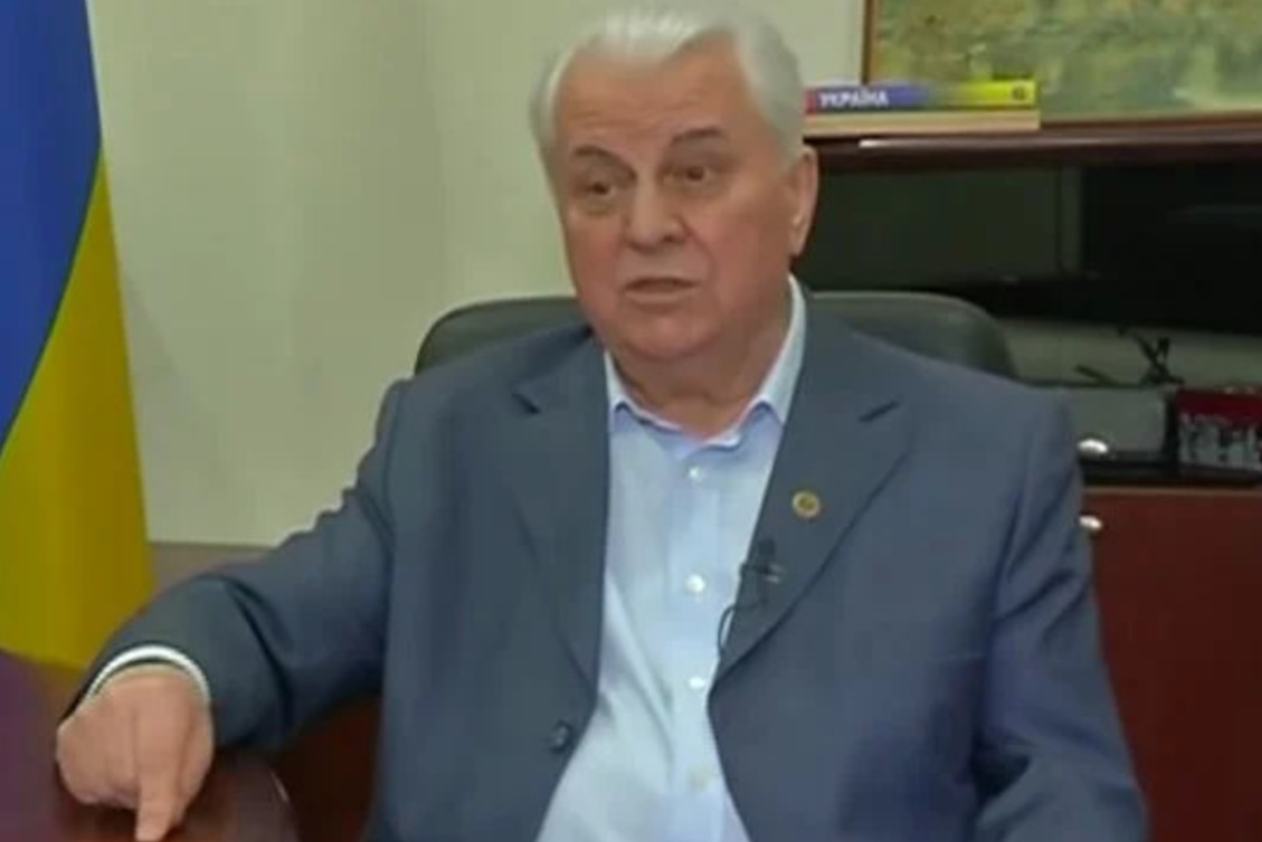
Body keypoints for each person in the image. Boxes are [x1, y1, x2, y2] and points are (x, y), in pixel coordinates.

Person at [55, 4, 1148, 841]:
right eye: (598, 187)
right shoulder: (457, 435)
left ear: (797, 195)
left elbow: (1066, 791)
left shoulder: (979, 454)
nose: (646, 225)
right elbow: (265, 622)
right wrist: (160, 675)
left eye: (695, 173)